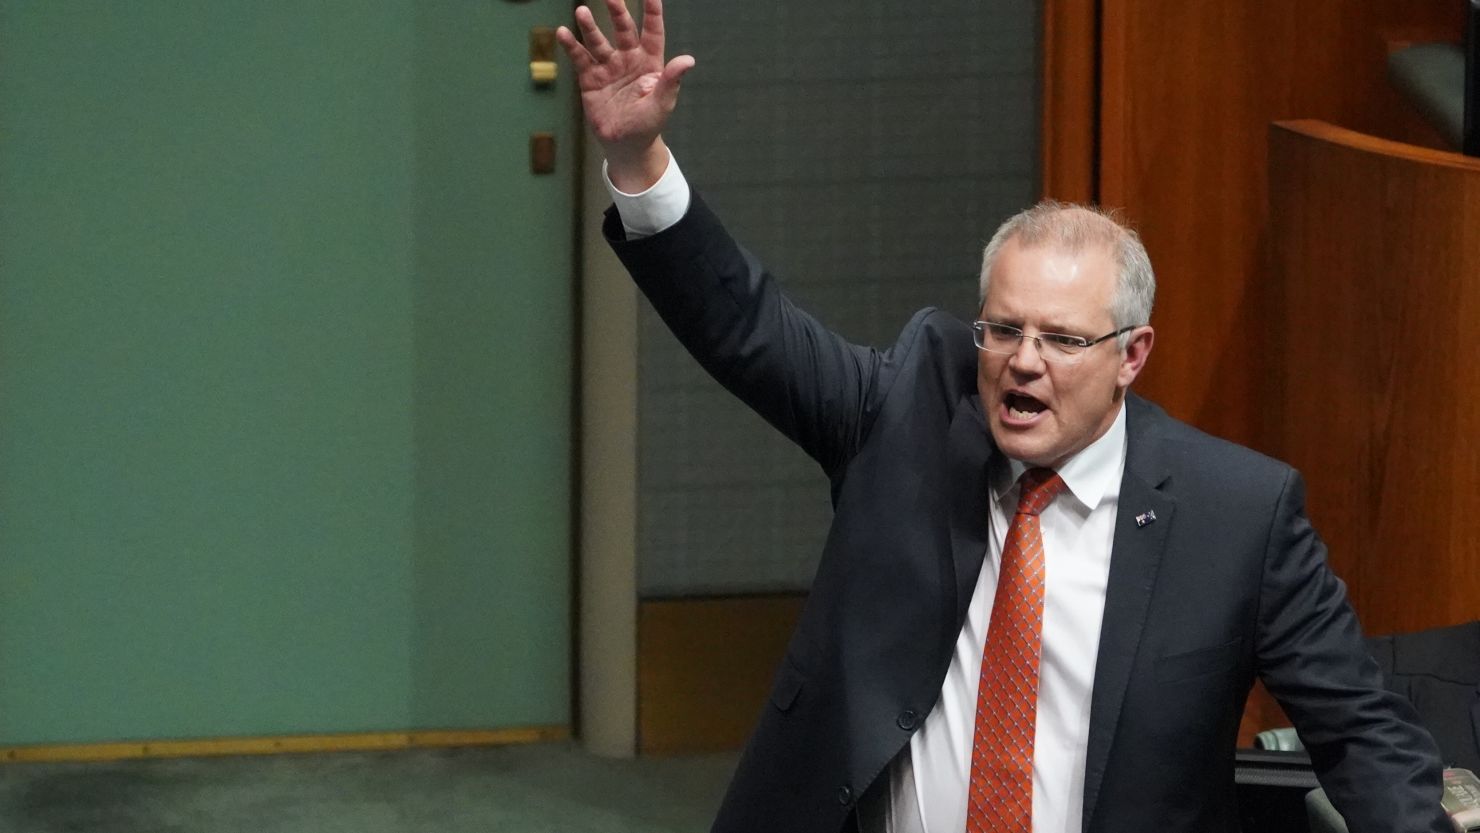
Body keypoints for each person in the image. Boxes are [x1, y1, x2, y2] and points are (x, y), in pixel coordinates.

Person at [556, 2, 1451, 832]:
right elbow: (745, 325)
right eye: (1004, 330)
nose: (1023, 360)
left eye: (1061, 339)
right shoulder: (904, 413)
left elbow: (1363, 733)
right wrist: (640, 162)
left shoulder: (1237, 516)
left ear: (1130, 357)